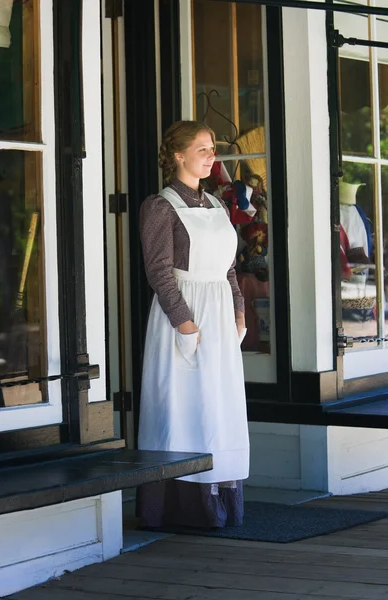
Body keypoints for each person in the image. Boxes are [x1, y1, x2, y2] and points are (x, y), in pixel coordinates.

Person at [137, 120, 250, 529]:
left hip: (220, 318)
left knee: (219, 408)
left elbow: (230, 269)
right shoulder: (161, 206)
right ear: (179, 155)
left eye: (213, 149)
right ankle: (177, 505)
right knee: (184, 409)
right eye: (203, 149)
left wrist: (238, 312)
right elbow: (160, 271)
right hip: (183, 319)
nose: (212, 156)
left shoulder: (217, 206)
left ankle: (220, 502)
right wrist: (185, 323)